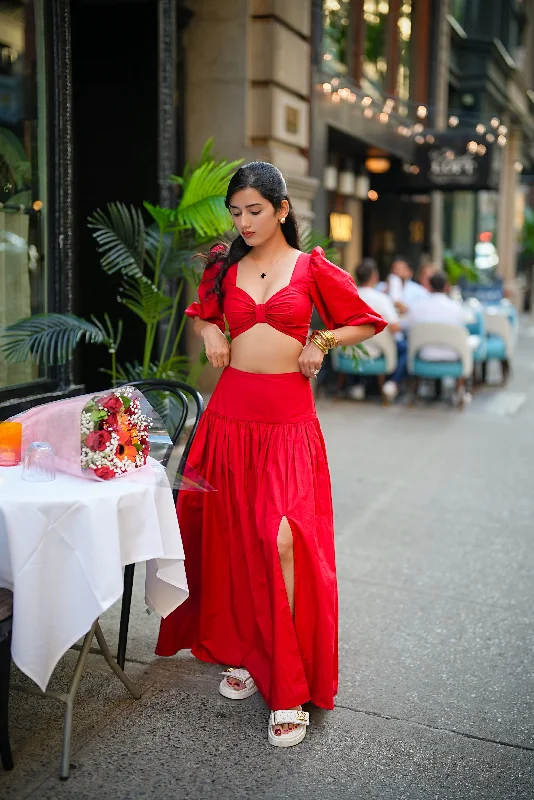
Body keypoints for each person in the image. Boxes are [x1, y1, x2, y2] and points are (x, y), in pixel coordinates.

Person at [155, 162, 386, 747]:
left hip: (287, 424)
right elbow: (205, 312)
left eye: (254, 210)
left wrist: (321, 339)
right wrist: (210, 332)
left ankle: (288, 685)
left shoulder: (311, 268)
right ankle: (245, 649)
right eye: (236, 212)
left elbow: (367, 320)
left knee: (282, 538)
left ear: (282, 209)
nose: (244, 222)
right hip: (230, 419)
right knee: (234, 538)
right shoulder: (223, 262)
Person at [355, 259, 407, 400]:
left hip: (350, 348)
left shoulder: (348, 296)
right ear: (374, 277)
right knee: (405, 349)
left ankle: (356, 384)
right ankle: (392, 384)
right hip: (378, 348)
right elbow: (395, 327)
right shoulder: (382, 299)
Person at [406, 270, 466, 360]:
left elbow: (408, 328)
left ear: (429, 286)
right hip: (452, 355)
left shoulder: (417, 307)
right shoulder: (457, 308)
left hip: (425, 355)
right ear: (446, 286)